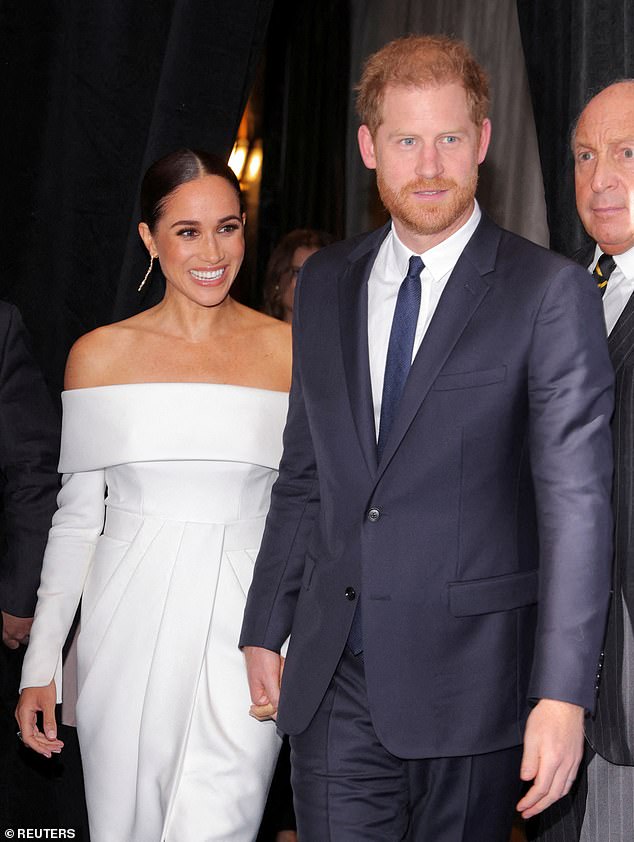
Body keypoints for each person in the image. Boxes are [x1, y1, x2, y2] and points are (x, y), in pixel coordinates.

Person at [239, 34, 615, 842]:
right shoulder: (328, 284)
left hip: (477, 686)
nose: (431, 164)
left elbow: (577, 507)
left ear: (482, 142)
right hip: (334, 675)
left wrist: (564, 693)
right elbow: (305, 470)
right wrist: (265, 623)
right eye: (407, 140)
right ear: (371, 147)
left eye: (450, 137)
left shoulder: (545, 292)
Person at [16, 149, 292, 842]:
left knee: (223, 822)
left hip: (249, 632)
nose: (212, 251)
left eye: (228, 228)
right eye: (187, 231)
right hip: (126, 628)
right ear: (149, 238)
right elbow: (77, 522)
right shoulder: (100, 355)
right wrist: (41, 661)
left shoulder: (292, 352)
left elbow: (304, 509)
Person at [528, 80, 634, 842]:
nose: (600, 179)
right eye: (585, 156)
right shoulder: (551, 293)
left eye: (628, 153)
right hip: (546, 659)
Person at [262, 229, 335, 322]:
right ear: (278, 281)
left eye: (316, 274)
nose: (308, 282)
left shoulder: (339, 335)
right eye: (298, 273)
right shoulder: (257, 334)